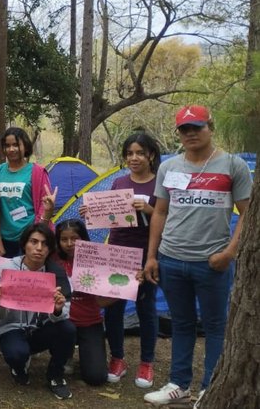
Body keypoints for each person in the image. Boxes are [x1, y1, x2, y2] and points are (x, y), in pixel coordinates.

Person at [142, 105, 252, 405]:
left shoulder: (233, 166)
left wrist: (229, 253)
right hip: (171, 259)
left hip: (212, 262)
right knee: (181, 323)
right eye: (184, 129)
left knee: (215, 325)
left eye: (196, 127)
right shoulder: (168, 167)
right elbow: (160, 212)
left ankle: (209, 387)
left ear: (210, 127)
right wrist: (152, 256)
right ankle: (179, 384)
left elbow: (248, 213)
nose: (190, 133)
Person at [80, 132, 161, 387]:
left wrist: (148, 209)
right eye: (129, 153)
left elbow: (167, 221)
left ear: (151, 155)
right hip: (116, 253)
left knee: (145, 309)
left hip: (146, 255)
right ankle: (118, 358)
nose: (134, 158)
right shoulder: (118, 183)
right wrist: (91, 210)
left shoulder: (159, 185)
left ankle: (147, 363)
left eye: (139, 153)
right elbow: (110, 218)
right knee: (112, 309)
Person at [0, 222, 74, 400]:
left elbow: (64, 314)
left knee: (68, 329)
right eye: (34, 242)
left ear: (50, 248)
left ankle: (55, 375)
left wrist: (58, 310)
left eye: (45, 244)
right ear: (24, 244)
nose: (39, 248)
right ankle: (19, 365)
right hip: (12, 327)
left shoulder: (56, 272)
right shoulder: (7, 269)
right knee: (17, 353)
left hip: (41, 328)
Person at [54, 219, 112, 387]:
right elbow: (37, 234)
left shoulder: (97, 259)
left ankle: (85, 353)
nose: (69, 244)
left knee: (96, 377)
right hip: (63, 321)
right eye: (64, 239)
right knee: (64, 332)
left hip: (90, 321)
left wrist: (131, 283)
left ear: (84, 239)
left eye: (75, 239)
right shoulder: (53, 259)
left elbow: (108, 296)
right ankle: (66, 354)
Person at [0, 127, 56, 257]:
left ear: (26, 146)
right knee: (6, 276)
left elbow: (43, 207)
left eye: (16, 145)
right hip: (5, 238)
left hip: (29, 237)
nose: (11, 149)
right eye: (7, 146)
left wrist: (37, 235)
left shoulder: (37, 172)